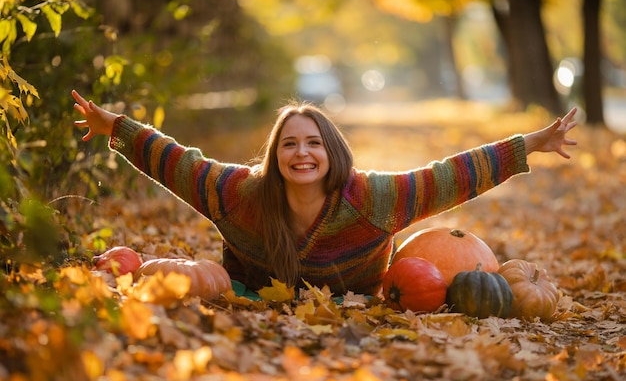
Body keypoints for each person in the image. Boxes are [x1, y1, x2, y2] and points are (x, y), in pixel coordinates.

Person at [72, 89, 577, 296]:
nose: (302, 153)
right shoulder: (238, 194)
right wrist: (114, 125)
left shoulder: (374, 199)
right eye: (289, 144)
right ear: (275, 156)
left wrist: (530, 144)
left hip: (364, 308)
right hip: (250, 300)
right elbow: (178, 162)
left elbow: (453, 174)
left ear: (332, 151)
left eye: (314, 142)